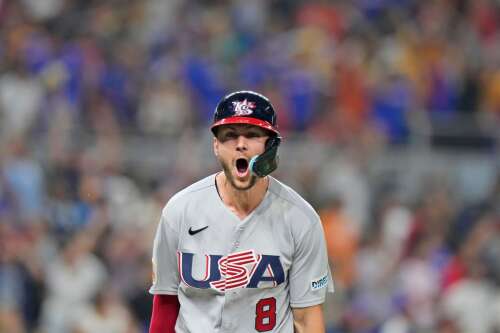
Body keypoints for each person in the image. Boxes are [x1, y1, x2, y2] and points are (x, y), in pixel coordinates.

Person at [149, 90, 334, 333]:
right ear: (216, 145)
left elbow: (307, 317)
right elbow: (165, 303)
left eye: (253, 135)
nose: (241, 144)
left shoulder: (301, 219)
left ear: (271, 146)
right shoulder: (180, 211)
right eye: (229, 136)